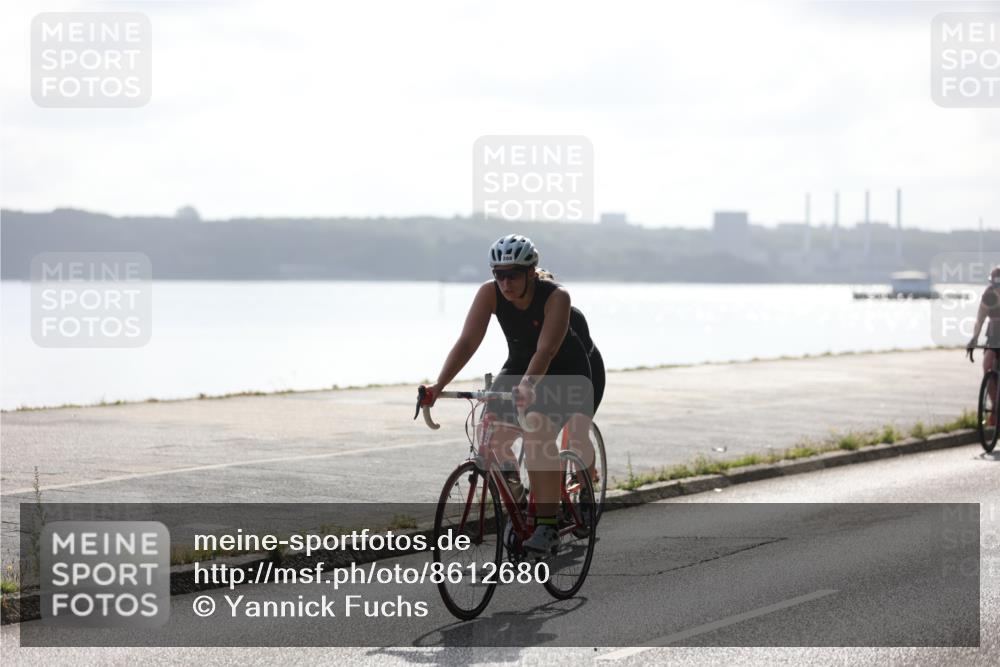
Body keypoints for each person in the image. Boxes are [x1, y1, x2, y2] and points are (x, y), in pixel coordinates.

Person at [422, 234, 605, 555]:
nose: (505, 282)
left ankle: (551, 523)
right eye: (499, 274)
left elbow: (546, 352)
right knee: (492, 434)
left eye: (513, 275)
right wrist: (438, 385)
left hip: (570, 371)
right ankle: (519, 504)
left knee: (548, 433)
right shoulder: (489, 293)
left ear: (531, 272)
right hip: (521, 365)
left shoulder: (557, 297)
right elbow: (467, 342)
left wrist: (528, 386)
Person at [967, 267, 1000, 424]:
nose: (997, 289)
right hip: (994, 334)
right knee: (987, 365)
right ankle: (995, 406)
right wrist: (974, 339)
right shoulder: (989, 295)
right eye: (995, 285)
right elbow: (980, 319)